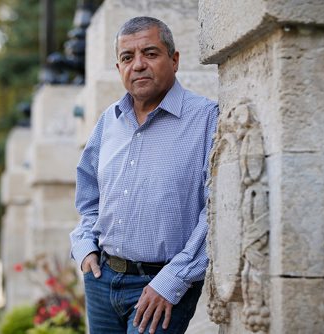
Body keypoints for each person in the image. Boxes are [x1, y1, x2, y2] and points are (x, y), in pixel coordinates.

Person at [70, 16, 219, 334]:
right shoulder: (108, 121)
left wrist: (173, 279)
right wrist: (84, 246)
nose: (138, 65)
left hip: (161, 285)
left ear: (174, 60)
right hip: (102, 280)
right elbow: (89, 194)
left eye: (150, 53)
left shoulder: (207, 118)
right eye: (127, 57)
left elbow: (217, 210)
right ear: (119, 68)